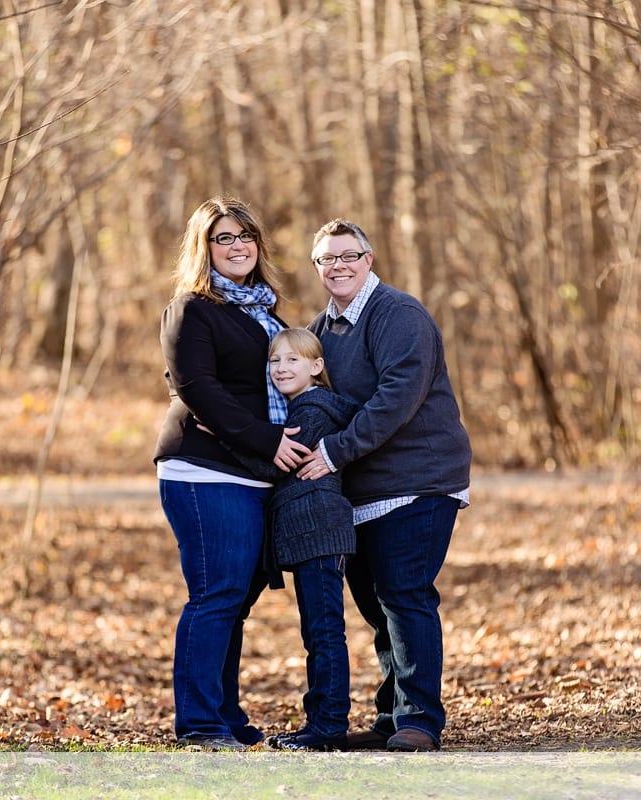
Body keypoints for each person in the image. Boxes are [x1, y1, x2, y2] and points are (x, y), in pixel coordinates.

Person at [299, 218, 472, 752]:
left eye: (349, 255)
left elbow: (396, 397)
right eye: (328, 259)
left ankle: (420, 719)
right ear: (317, 267)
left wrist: (333, 451)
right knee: (376, 606)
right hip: (362, 491)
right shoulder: (322, 330)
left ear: (368, 260)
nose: (339, 266)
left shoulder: (397, 314)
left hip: (417, 480)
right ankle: (391, 718)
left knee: (404, 595)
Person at [153, 196, 310, 751]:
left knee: (235, 600)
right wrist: (271, 442)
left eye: (246, 236)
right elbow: (199, 391)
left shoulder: (265, 313)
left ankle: (225, 714)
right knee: (215, 594)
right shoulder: (191, 309)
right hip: (205, 469)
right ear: (205, 247)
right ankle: (199, 724)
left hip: (255, 472)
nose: (238, 245)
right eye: (224, 237)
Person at [231, 329, 358, 752]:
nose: (281, 368)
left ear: (316, 367)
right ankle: (319, 722)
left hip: (320, 531)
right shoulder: (300, 407)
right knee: (317, 632)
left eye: (292, 361)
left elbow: (274, 465)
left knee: (324, 633)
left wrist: (220, 437)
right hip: (311, 534)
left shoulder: (313, 408)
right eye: (274, 361)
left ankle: (328, 728)